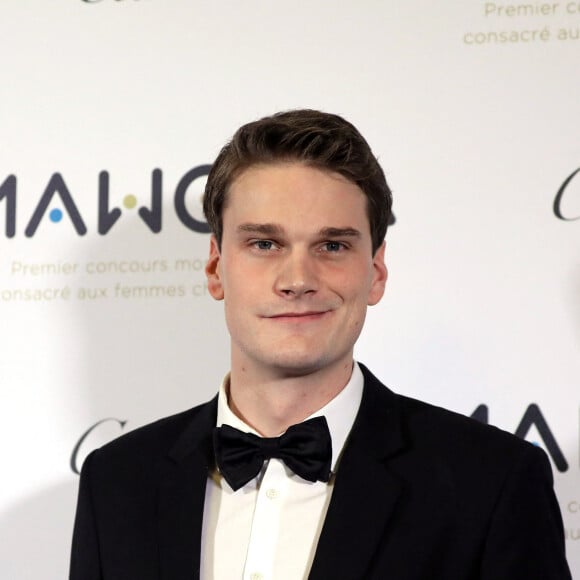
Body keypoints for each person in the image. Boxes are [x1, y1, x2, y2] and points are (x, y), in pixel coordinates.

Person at [69, 109, 571, 579]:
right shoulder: (115, 482)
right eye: (264, 244)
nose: (297, 279)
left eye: (332, 246)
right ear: (215, 268)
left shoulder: (491, 484)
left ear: (375, 272)